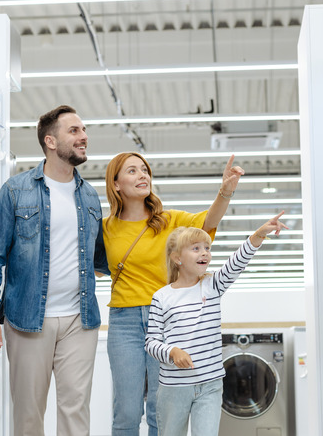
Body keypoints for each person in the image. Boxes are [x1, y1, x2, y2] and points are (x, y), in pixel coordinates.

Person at [0, 105, 108, 436]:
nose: (84, 137)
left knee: (75, 409)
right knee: (29, 412)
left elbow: (100, 258)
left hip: (81, 320)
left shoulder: (90, 196)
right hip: (27, 318)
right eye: (74, 131)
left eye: (84, 130)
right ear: (50, 141)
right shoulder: (16, 190)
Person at [103, 152, 244, 436]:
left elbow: (206, 223)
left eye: (145, 170)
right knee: (126, 410)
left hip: (166, 319)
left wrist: (225, 192)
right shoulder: (105, 228)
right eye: (133, 171)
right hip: (124, 321)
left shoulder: (169, 220)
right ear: (116, 184)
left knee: (160, 407)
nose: (143, 175)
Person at [144, 213, 288, 436]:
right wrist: (172, 351)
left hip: (210, 385)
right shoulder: (161, 297)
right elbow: (151, 342)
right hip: (173, 387)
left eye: (207, 248)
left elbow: (236, 262)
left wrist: (259, 234)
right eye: (196, 248)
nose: (204, 253)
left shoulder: (212, 286)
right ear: (176, 258)